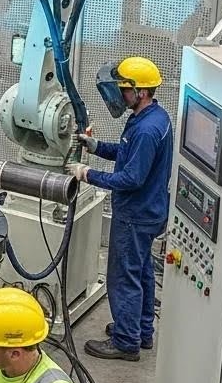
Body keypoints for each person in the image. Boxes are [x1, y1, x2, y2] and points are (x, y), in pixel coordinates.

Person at [67, 57, 173, 361]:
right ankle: (141, 331)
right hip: (151, 211)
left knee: (123, 276)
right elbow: (128, 153)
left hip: (135, 216)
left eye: (124, 89)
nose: (119, 95)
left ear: (140, 91)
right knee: (141, 272)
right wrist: (96, 146)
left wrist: (87, 174)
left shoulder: (146, 130)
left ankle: (126, 342)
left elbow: (131, 177)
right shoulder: (154, 117)